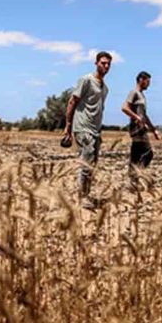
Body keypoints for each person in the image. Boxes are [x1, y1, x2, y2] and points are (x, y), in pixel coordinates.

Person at [62, 51, 112, 208]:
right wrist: (68, 126)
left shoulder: (105, 88)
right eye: (103, 63)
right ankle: (82, 197)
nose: (106, 66)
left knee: (91, 163)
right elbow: (72, 101)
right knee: (87, 161)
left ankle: (84, 194)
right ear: (96, 63)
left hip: (96, 130)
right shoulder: (86, 80)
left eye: (108, 63)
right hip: (82, 127)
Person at [121, 71, 160, 189]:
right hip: (137, 128)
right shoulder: (134, 93)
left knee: (136, 154)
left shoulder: (142, 96)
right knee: (148, 153)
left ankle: (132, 181)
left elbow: (145, 115)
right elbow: (124, 108)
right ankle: (137, 175)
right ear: (141, 80)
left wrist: (153, 129)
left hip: (141, 127)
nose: (149, 84)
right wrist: (137, 117)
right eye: (147, 81)